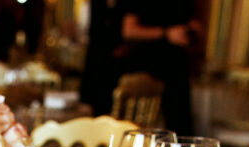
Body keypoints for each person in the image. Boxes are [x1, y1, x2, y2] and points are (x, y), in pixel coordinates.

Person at [121, 0, 200, 135]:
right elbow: (129, 30)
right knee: (140, 131)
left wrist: (192, 30)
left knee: (179, 127)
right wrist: (166, 33)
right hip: (149, 66)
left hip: (177, 68)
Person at [79, 0, 128, 117]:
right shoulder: (96, 4)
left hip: (116, 64)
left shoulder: (123, 5)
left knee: (112, 108)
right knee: (92, 107)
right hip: (96, 59)